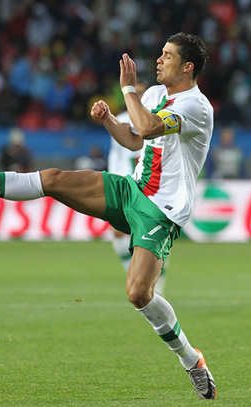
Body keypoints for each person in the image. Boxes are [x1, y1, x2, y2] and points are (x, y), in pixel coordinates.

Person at [0, 33, 216, 399]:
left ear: (187, 67)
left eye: (167, 56)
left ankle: (190, 358)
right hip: (131, 190)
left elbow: (151, 127)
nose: (158, 60)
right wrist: (109, 120)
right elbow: (137, 139)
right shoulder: (154, 95)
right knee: (56, 179)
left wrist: (126, 91)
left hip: (161, 211)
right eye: (161, 54)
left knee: (138, 293)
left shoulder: (197, 107)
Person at [107, 80, 169, 297]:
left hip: (153, 186)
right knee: (118, 231)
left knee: (155, 234)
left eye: (143, 92)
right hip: (127, 182)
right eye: (136, 92)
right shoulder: (123, 120)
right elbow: (118, 154)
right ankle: (130, 273)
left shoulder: (157, 119)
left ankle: (158, 283)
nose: (140, 97)